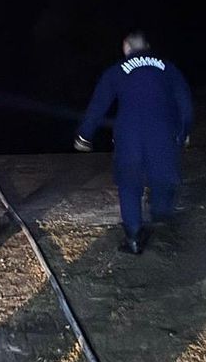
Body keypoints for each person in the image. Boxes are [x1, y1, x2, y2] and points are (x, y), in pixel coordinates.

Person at [73, 31, 193, 254]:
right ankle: (161, 216)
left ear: (126, 47)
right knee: (164, 175)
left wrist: (84, 135)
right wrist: (184, 131)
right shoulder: (168, 68)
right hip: (163, 133)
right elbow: (185, 102)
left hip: (130, 135)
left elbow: (98, 105)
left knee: (129, 183)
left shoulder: (117, 70)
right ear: (147, 47)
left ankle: (134, 238)